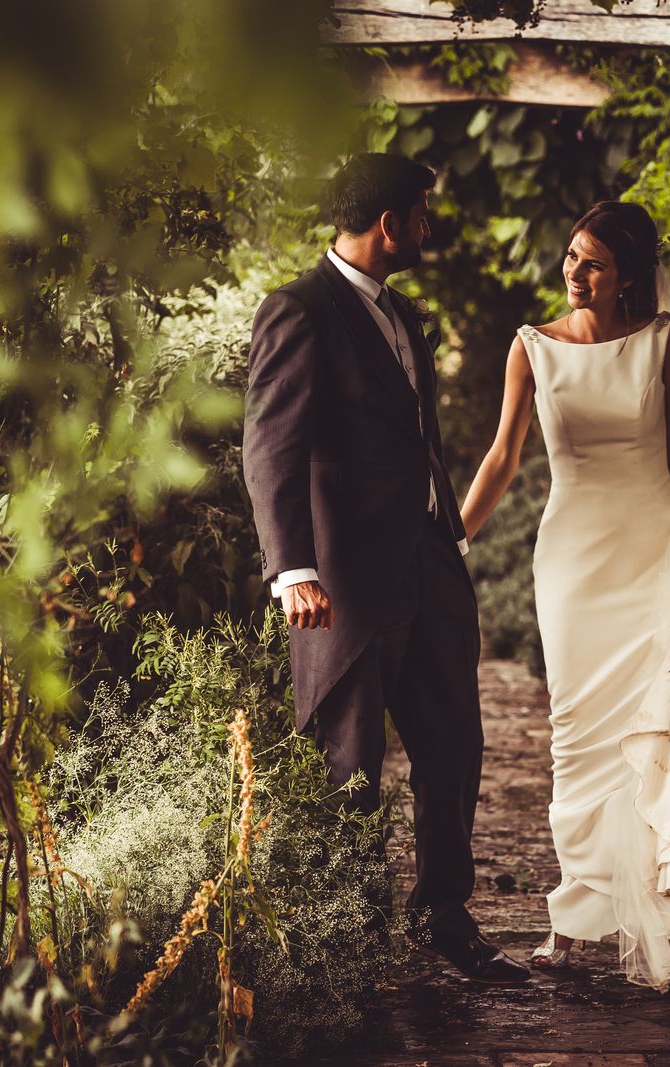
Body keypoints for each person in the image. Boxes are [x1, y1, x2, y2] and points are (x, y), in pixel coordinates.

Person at [460, 200, 670, 991]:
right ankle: (570, 918)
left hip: (655, 555)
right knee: (574, 736)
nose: (575, 271)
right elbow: (502, 457)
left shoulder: (663, 343)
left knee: (655, 737)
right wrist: (451, 535)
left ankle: (664, 919)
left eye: (593, 261)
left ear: (627, 275)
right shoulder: (531, 347)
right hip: (572, 561)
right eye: (571, 255)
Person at [242, 152, 530, 985]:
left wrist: (450, 537)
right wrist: (292, 568)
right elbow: (270, 449)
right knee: (350, 761)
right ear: (389, 224)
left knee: (455, 746)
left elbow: (416, 442)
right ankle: (350, 937)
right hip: (345, 584)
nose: (429, 229)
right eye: (421, 214)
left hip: (431, 569)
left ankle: (443, 913)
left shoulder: (407, 315)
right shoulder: (298, 310)